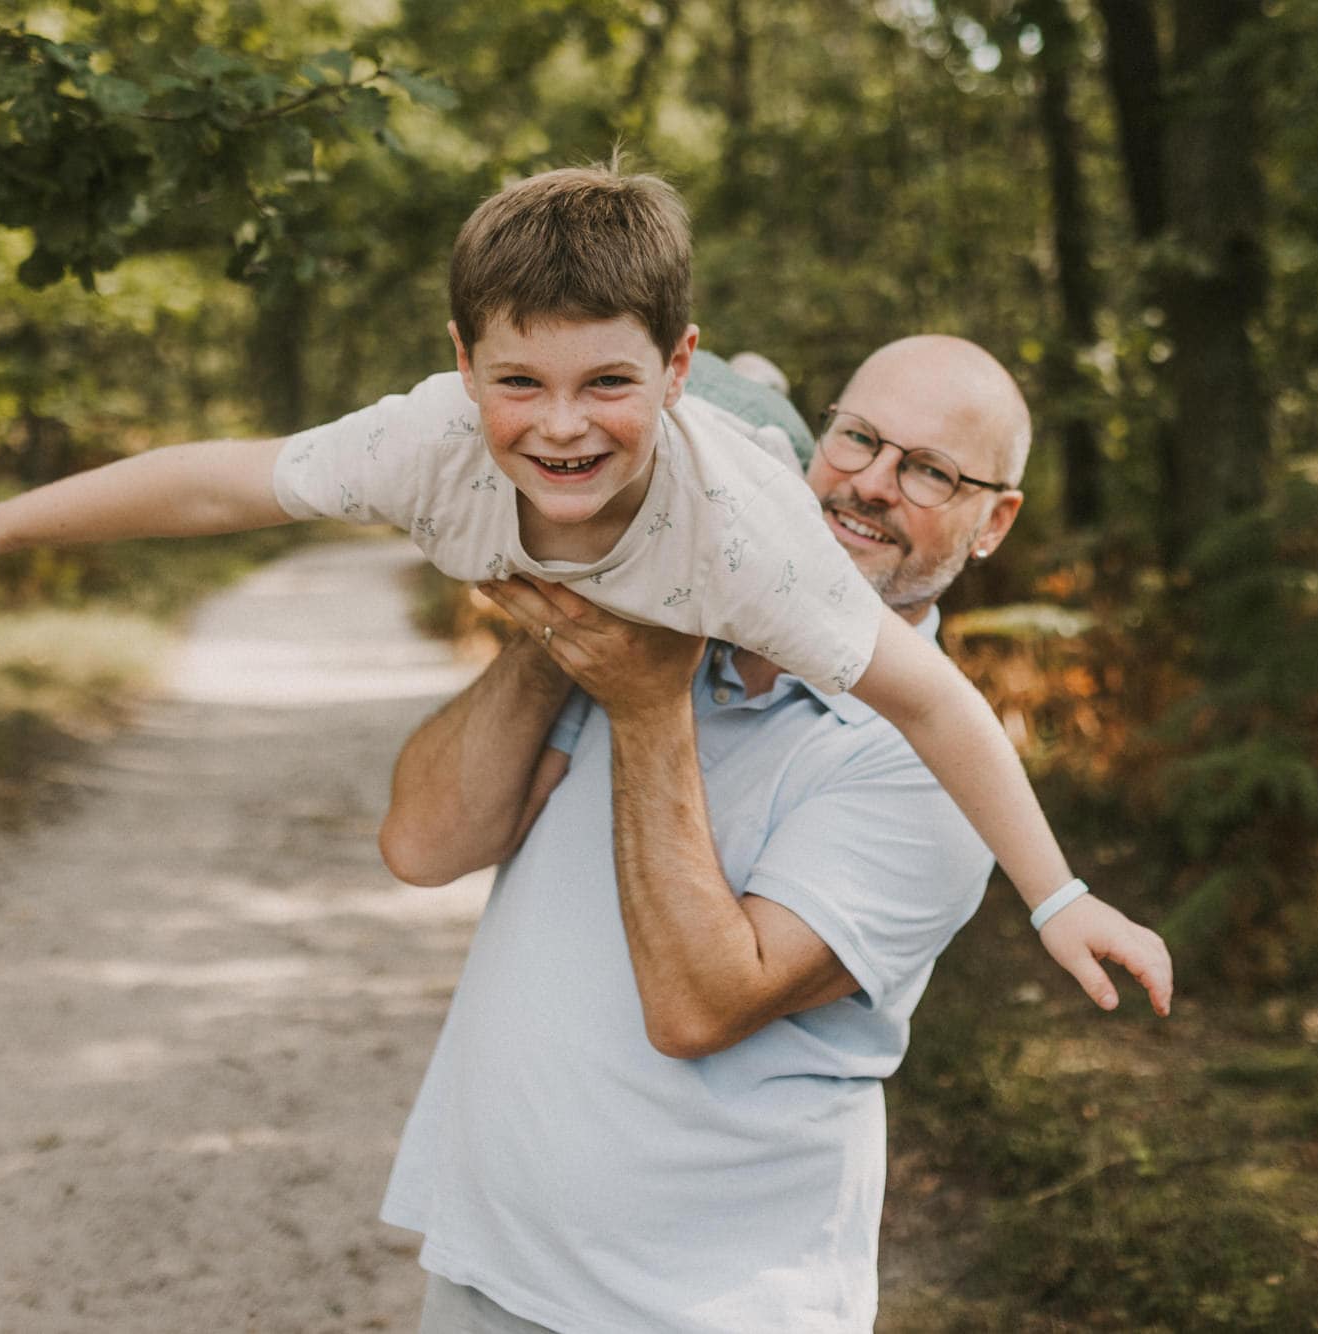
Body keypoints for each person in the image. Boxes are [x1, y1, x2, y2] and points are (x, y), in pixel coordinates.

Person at [0, 163, 1170, 1007]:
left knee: (749, 428)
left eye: (608, 378)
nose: (557, 427)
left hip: (726, 462)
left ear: (664, 360)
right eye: (518, 383)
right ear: (462, 364)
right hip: (658, 465)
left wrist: (1059, 895)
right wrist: (0, 524)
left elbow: (940, 704)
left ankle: (750, 391)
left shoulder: (756, 548)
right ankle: (734, 393)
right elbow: (225, 482)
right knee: (626, 440)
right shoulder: (428, 437)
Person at [373, 336, 1168, 1332]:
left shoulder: (924, 768)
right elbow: (419, 845)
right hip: (487, 1262)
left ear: (991, 520)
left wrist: (645, 702)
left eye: (927, 470)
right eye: (858, 438)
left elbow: (698, 1006)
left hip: (702, 1305)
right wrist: (569, 621)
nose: (871, 482)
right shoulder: (657, 624)